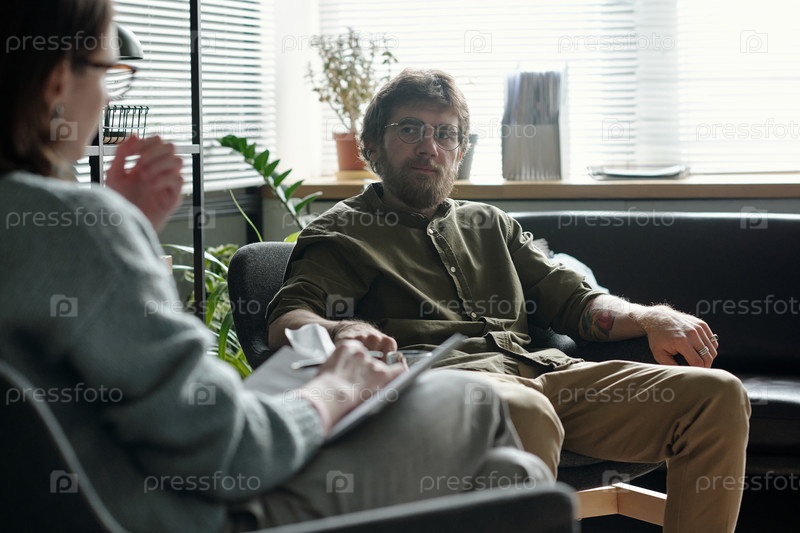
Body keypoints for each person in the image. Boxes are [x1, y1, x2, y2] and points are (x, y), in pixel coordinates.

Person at [0, 3, 553, 532]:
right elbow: (230, 450)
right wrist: (335, 388)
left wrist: (128, 230)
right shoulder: (76, 227)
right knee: (472, 403)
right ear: (57, 83)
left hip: (99, 504)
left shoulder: (44, 223)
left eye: (445, 134)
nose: (108, 94)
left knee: (512, 475)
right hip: (201, 516)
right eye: (109, 72)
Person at [267, 68, 752, 533]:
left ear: (460, 152)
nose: (429, 146)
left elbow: (577, 302)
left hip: (545, 375)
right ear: (372, 145)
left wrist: (651, 317)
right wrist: (342, 329)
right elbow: (287, 318)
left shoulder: (490, 224)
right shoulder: (343, 230)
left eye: (445, 134)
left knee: (717, 396)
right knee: (526, 409)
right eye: (410, 129)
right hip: (445, 392)